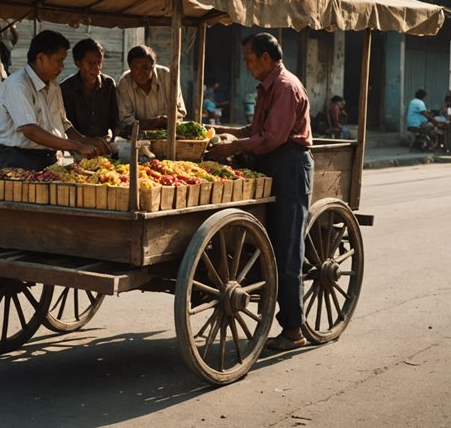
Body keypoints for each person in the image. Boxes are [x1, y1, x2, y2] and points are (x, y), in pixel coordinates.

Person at [206, 32, 313, 352]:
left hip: (289, 166)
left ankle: (293, 329)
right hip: (270, 164)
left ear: (266, 58)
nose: (247, 66)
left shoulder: (284, 87)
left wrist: (234, 146)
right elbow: (254, 132)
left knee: (287, 249)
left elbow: (273, 137)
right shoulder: (267, 87)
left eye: (250, 60)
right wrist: (220, 133)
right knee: (268, 244)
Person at [0, 30, 112, 171]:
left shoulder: (53, 85)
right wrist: (78, 146)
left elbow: (64, 125)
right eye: (58, 60)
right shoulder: (17, 85)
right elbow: (30, 130)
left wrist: (88, 141)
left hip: (50, 158)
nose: (61, 67)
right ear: (40, 58)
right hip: (19, 159)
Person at [116, 45, 186, 135]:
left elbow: (179, 112)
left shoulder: (167, 76)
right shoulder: (125, 82)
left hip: (168, 136)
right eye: (136, 68)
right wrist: (156, 122)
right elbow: (126, 121)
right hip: (139, 137)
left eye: (145, 68)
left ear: (153, 65)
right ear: (130, 67)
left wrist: (148, 123)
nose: (141, 73)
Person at [60, 38, 120, 140]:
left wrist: (110, 136)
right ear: (78, 63)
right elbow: (66, 126)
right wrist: (85, 142)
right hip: (77, 146)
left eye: (99, 62)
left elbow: (115, 121)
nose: (96, 67)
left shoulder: (109, 84)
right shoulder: (66, 88)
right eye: (90, 63)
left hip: (106, 144)